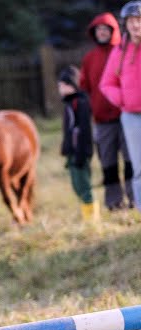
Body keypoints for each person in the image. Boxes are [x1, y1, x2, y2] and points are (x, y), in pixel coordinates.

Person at [80, 11, 134, 210]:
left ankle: (134, 199)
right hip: (102, 121)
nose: (102, 33)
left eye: (105, 29)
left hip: (125, 116)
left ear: (114, 31)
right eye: (98, 30)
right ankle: (114, 202)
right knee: (108, 162)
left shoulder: (123, 53)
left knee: (131, 160)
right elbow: (85, 85)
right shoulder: (89, 59)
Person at [100, 0, 141, 215]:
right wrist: (122, 98)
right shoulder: (120, 51)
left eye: (139, 20)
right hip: (131, 116)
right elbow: (106, 83)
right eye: (131, 21)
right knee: (139, 168)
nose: (136, 25)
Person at [59, 65, 97, 221]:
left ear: (72, 85)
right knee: (77, 186)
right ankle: (86, 214)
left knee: (84, 185)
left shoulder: (80, 103)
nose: (60, 89)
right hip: (72, 153)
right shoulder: (69, 104)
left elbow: (84, 130)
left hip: (80, 153)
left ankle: (92, 218)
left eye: (62, 85)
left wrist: (81, 153)